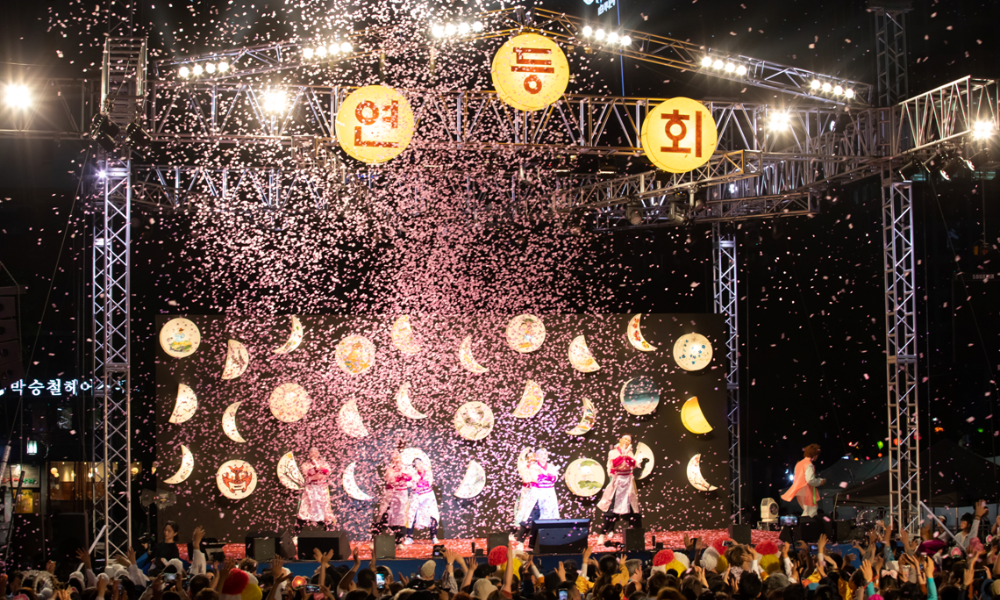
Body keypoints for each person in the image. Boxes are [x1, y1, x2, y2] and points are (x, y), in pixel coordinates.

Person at [596, 435, 642, 546]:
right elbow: (614, 464)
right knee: (611, 511)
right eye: (624, 439)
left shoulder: (630, 452)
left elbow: (633, 464)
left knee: (633, 511)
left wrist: (628, 456)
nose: (626, 441)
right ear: (620, 440)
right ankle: (602, 534)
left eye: (628, 440)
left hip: (628, 483)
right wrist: (622, 455)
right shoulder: (613, 452)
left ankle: (639, 535)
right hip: (617, 482)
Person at [515, 448, 560, 550]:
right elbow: (537, 479)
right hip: (537, 495)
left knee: (549, 518)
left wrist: (547, 476)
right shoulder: (533, 467)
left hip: (549, 495)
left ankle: (545, 542)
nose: (544, 456)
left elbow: (554, 479)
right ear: (537, 457)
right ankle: (520, 542)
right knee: (530, 518)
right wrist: (547, 476)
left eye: (545, 454)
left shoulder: (551, 466)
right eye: (541, 455)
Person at [373, 452, 412, 545]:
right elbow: (391, 480)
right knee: (383, 517)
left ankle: (398, 541)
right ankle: (374, 540)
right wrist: (399, 476)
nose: (398, 463)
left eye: (399, 461)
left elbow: (410, 477)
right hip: (391, 497)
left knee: (401, 519)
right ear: (392, 462)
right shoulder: (389, 470)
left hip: (401, 497)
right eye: (395, 461)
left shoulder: (405, 469)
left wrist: (403, 476)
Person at [781, 444, 825, 518]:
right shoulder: (809, 465)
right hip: (808, 491)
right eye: (817, 455)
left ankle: (801, 527)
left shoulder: (799, 464)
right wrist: (820, 481)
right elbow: (810, 480)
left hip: (800, 491)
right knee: (811, 513)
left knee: (807, 511)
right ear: (814, 454)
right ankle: (804, 528)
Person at [297, 447, 337, 530]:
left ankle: (329, 535)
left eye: (315, 452)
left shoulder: (323, 463)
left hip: (321, 489)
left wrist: (320, 468)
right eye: (311, 452)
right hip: (310, 489)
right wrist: (316, 468)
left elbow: (327, 471)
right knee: (305, 511)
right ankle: (297, 534)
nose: (313, 454)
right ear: (309, 454)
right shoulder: (306, 464)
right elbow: (307, 472)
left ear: (318, 453)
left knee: (324, 512)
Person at [405, 458, 441, 545]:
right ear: (415, 467)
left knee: (432, 514)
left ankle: (434, 537)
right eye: (418, 464)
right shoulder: (413, 475)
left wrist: (419, 482)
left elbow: (429, 483)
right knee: (411, 515)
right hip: (416, 496)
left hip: (428, 496)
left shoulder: (428, 472)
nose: (420, 465)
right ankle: (409, 537)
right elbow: (411, 486)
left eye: (421, 463)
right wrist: (413, 481)